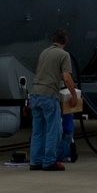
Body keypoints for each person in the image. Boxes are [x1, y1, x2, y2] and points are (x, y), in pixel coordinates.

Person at [29, 28, 77, 171]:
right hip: (49, 95)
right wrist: (74, 95)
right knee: (54, 130)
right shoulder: (64, 55)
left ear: (52, 40)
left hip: (35, 94)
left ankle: (35, 161)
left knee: (38, 131)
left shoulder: (44, 52)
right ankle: (49, 161)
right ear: (65, 41)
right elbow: (67, 78)